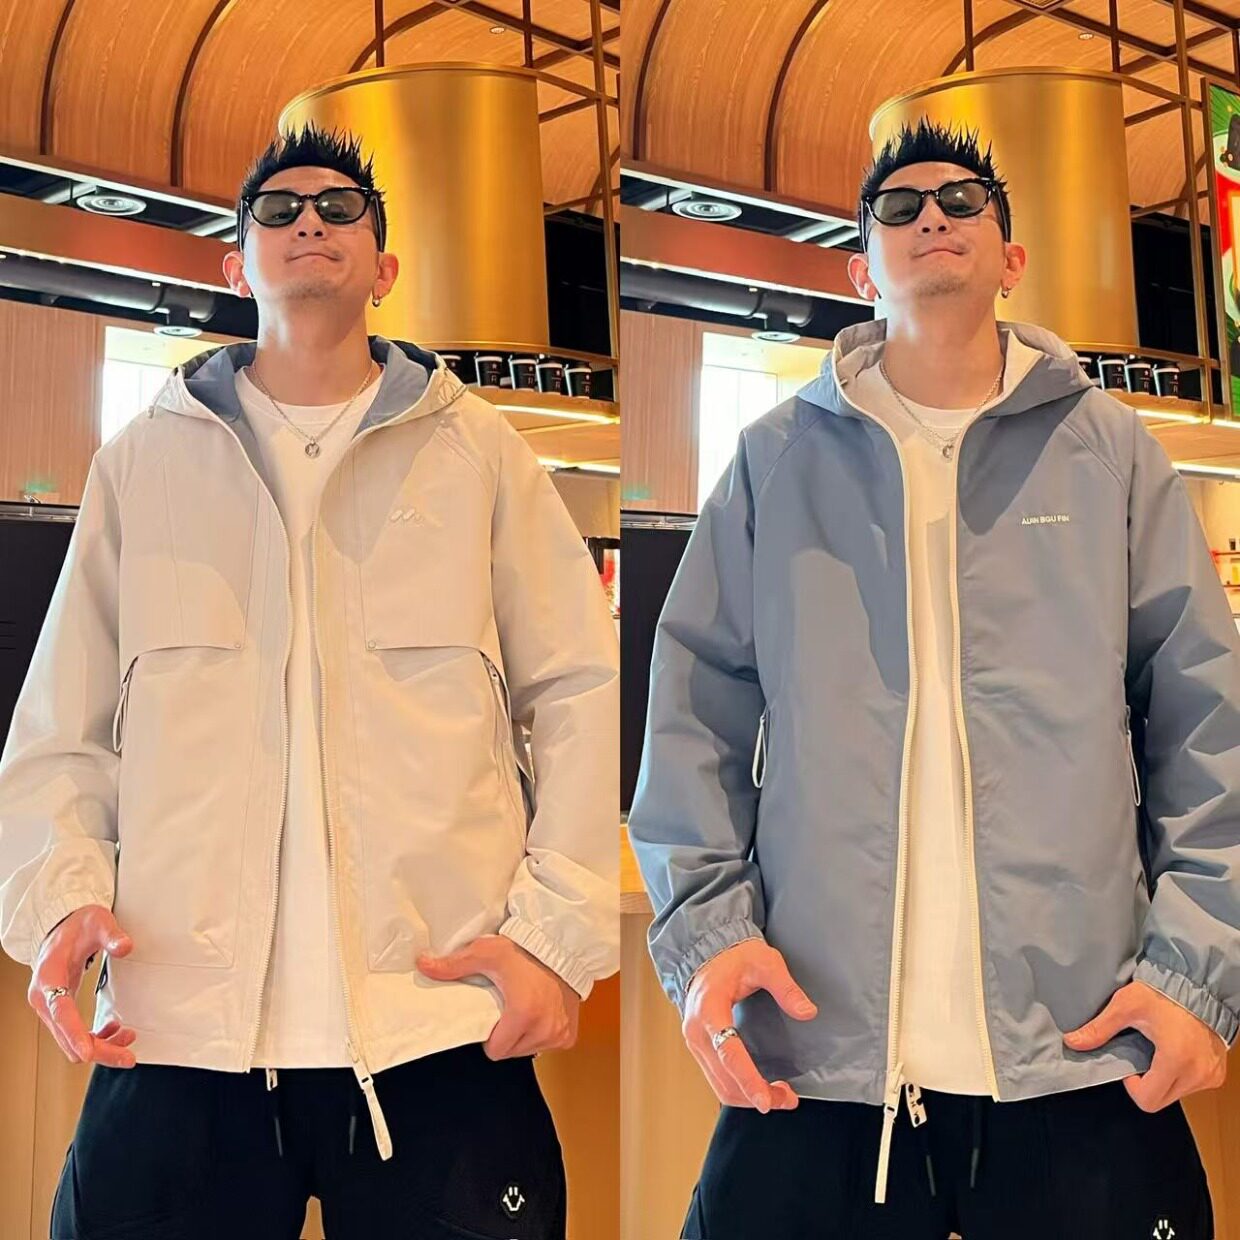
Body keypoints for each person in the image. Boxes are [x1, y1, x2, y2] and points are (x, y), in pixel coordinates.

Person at [0, 121, 619, 1239]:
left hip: (435, 1021)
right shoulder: (142, 460)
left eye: (341, 209)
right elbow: (62, 726)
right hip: (177, 1024)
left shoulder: (478, 452)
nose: (309, 223)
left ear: (384, 267)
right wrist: (57, 900)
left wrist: (555, 940)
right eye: (278, 211)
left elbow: (579, 691)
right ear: (236, 265)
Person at [627, 118, 1239, 1239]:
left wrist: (1196, 973)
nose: (932, 218)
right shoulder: (773, 461)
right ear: (860, 270)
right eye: (899, 207)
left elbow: (1207, 722)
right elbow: (691, 716)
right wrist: (708, 936)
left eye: (963, 201)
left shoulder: (1110, 452)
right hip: (820, 1046)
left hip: (1082, 1038)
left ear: (1011, 257)